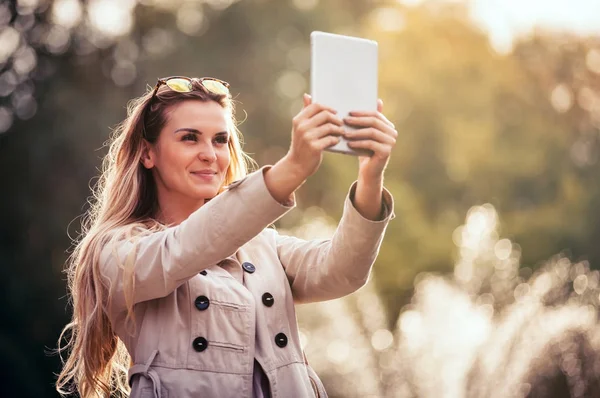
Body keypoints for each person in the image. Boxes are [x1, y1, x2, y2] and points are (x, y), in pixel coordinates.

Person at [56, 76, 396, 398]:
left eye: (220, 140)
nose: (210, 153)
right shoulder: (118, 250)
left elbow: (341, 272)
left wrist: (370, 176)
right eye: (190, 138)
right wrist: (293, 167)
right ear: (148, 153)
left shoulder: (260, 243)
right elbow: (184, 249)